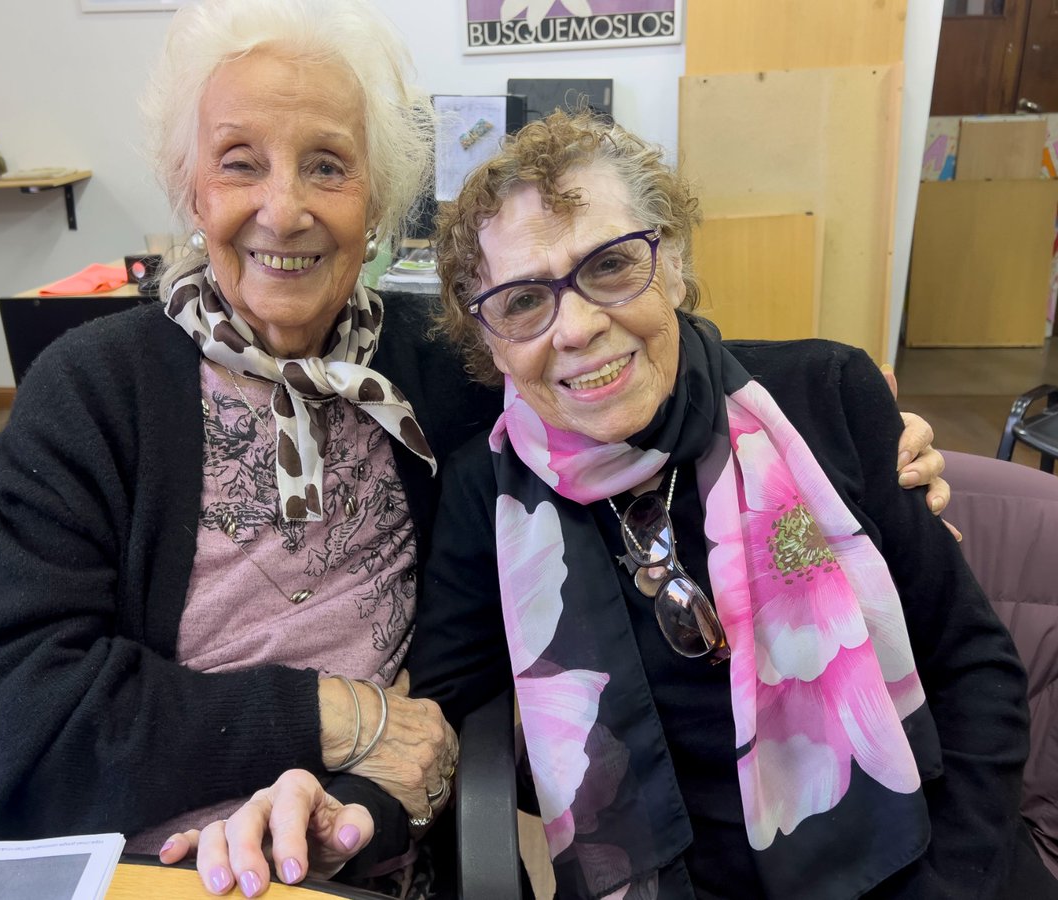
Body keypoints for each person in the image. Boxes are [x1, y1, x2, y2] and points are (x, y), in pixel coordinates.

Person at [0, 1, 950, 896]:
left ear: (375, 201)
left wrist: (839, 429)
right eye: (241, 163)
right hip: (121, 858)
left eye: (326, 164)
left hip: (357, 838)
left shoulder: (445, 370)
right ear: (191, 190)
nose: (283, 207)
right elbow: (10, 699)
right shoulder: (94, 393)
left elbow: (611, 359)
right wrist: (331, 718)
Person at [402, 110, 1056, 899]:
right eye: (522, 302)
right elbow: (457, 710)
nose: (576, 327)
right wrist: (600, 776)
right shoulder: (487, 490)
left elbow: (973, 668)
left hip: (917, 855)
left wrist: (955, 880)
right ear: (490, 338)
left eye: (610, 265)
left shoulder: (827, 399)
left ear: (672, 264)